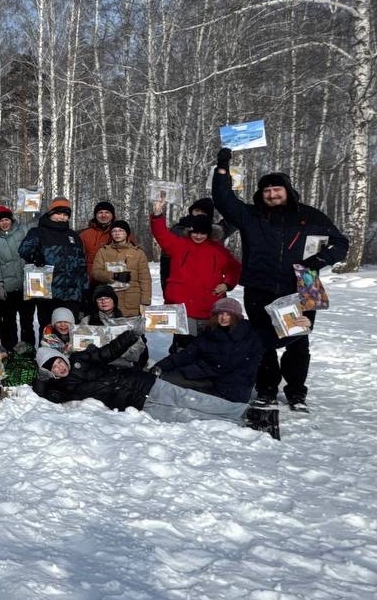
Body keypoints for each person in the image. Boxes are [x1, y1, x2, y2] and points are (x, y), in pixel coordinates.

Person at [212, 147, 349, 411]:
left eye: (277, 190)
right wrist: (222, 166)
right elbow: (223, 199)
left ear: (287, 190)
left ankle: (297, 392)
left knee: (298, 341)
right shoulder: (251, 216)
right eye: (267, 191)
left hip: (303, 287)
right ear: (260, 194)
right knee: (263, 342)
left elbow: (340, 243)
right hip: (260, 286)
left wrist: (316, 262)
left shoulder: (310, 217)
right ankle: (266, 390)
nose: (272, 195)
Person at [33, 332, 251, 426]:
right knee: (184, 416)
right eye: (52, 368)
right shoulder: (61, 388)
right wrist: (42, 377)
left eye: (58, 361)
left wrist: (130, 335)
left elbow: (108, 352)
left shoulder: (80, 358)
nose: (59, 367)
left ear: (63, 357)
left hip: (143, 382)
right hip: (135, 404)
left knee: (190, 399)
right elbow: (43, 394)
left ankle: (243, 412)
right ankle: (235, 424)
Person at [152, 296, 266, 428]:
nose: (223, 318)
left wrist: (189, 371)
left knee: (192, 403)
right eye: (220, 314)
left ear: (236, 317)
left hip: (232, 389)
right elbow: (187, 354)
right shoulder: (211, 332)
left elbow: (223, 365)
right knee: (166, 379)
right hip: (209, 379)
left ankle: (250, 419)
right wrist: (160, 366)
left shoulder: (250, 335)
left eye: (228, 314)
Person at [149, 205, 241, 347]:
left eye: (202, 233)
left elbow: (234, 268)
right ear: (190, 231)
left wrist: (227, 284)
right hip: (182, 307)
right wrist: (157, 215)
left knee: (207, 346)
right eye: (195, 233)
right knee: (184, 346)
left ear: (209, 233)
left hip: (208, 306)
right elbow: (161, 234)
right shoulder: (179, 245)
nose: (198, 236)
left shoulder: (218, 250)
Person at [18, 196, 89, 329]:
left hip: (71, 294)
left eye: (65, 214)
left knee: (70, 330)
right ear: (50, 213)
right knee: (48, 329)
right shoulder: (38, 232)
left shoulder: (73, 236)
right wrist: (35, 256)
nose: (61, 217)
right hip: (48, 292)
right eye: (58, 213)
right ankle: (46, 350)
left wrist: (84, 289)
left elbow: (81, 264)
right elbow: (23, 250)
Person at [0, 206, 36, 351]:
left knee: (27, 323)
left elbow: (36, 223)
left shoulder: (23, 232)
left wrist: (35, 204)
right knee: (9, 323)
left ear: (11, 220)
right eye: (1, 220)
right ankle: (11, 353)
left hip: (27, 287)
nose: (4, 223)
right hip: (8, 288)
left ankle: (28, 354)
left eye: (7, 219)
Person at [89, 219, 151, 317]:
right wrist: (114, 275)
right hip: (109, 304)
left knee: (133, 331)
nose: (117, 233)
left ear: (127, 233)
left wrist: (145, 302)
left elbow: (145, 280)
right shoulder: (103, 252)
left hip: (132, 303)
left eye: (121, 230)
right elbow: (96, 273)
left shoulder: (138, 253)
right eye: (114, 231)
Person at [82, 284, 148, 368]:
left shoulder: (126, 321)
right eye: (99, 299)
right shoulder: (86, 321)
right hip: (97, 364)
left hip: (123, 364)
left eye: (107, 298)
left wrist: (120, 352)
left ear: (114, 301)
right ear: (95, 302)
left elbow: (138, 347)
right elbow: (82, 344)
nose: (103, 301)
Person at [79, 201, 123, 271]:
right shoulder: (84, 235)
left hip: (114, 278)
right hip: (90, 279)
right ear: (95, 215)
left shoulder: (123, 233)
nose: (103, 215)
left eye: (107, 212)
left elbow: (132, 258)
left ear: (113, 215)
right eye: (100, 212)